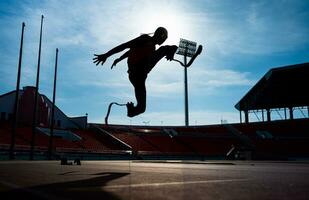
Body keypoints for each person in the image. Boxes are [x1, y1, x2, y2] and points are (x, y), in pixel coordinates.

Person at [93, 27, 178, 117]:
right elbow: (124, 46)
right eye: (164, 38)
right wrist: (106, 55)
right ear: (159, 35)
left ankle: (131, 111)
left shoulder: (151, 46)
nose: (163, 41)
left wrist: (119, 59)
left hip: (139, 77)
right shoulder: (144, 39)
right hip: (138, 70)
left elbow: (130, 52)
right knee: (166, 49)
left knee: (141, 108)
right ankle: (170, 51)